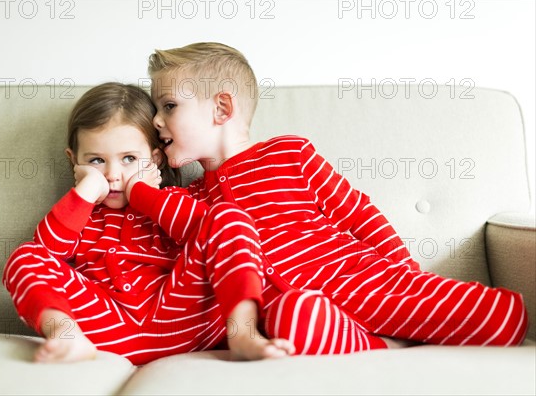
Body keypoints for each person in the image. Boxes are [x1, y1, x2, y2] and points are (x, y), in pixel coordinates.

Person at [147, 42, 529, 354]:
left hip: (362, 279)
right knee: (293, 319)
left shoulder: (287, 153)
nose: (156, 121)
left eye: (169, 106)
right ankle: (385, 346)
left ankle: (410, 322)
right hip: (301, 308)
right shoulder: (189, 200)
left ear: (221, 108)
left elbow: (359, 213)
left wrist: (405, 273)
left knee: (504, 317)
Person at [2, 82, 295, 364]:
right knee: (25, 256)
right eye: (96, 161)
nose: (112, 174)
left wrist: (142, 194)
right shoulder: (77, 212)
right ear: (74, 160)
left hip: (181, 319)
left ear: (154, 159)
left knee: (228, 216)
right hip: (109, 327)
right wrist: (86, 191)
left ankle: (243, 334)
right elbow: (47, 251)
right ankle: (66, 339)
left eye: (129, 158)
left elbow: (209, 230)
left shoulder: (169, 201)